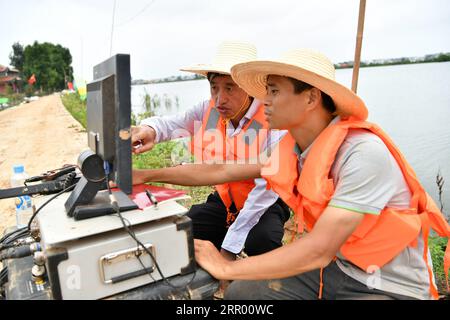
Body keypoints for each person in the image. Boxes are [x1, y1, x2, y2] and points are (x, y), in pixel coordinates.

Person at [134, 49, 450, 300]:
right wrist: (146, 176)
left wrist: (225, 263)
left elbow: (318, 249)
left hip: (386, 284)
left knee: (253, 256)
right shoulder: (295, 149)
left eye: (273, 90)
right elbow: (221, 169)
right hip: (334, 268)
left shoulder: (363, 154)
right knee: (243, 294)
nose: (265, 100)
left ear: (311, 98)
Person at [131, 41, 290, 265]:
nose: (219, 98)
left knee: (262, 240)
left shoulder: (275, 119)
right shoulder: (209, 109)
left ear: (250, 87)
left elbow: (265, 190)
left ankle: (267, 283)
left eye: (229, 88)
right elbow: (171, 124)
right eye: (214, 87)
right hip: (225, 201)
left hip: (264, 202)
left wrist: (230, 247)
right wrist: (149, 130)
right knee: (187, 229)